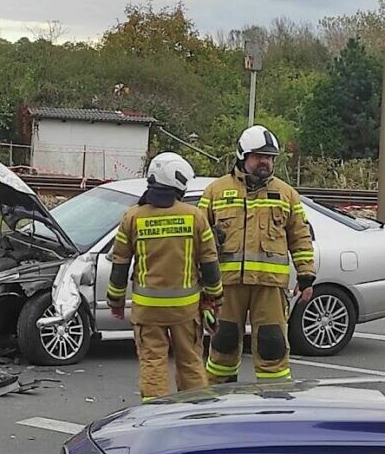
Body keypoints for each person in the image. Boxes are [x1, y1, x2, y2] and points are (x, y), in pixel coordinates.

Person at [198, 125, 317, 385]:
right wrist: (201, 283)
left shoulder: (286, 194)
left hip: (269, 287)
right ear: (243, 156)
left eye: (270, 157)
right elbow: (200, 240)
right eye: (259, 156)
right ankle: (216, 403)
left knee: (272, 346)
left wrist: (306, 275)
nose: (265, 161)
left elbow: (300, 236)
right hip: (226, 287)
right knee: (223, 345)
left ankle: (273, 405)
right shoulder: (215, 192)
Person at [106, 152, 223, 402]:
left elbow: (119, 265)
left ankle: (155, 414)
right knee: (190, 362)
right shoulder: (194, 216)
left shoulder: (133, 217)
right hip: (185, 311)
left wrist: (115, 302)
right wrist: (214, 297)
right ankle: (196, 411)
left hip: (148, 311)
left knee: (153, 364)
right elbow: (210, 264)